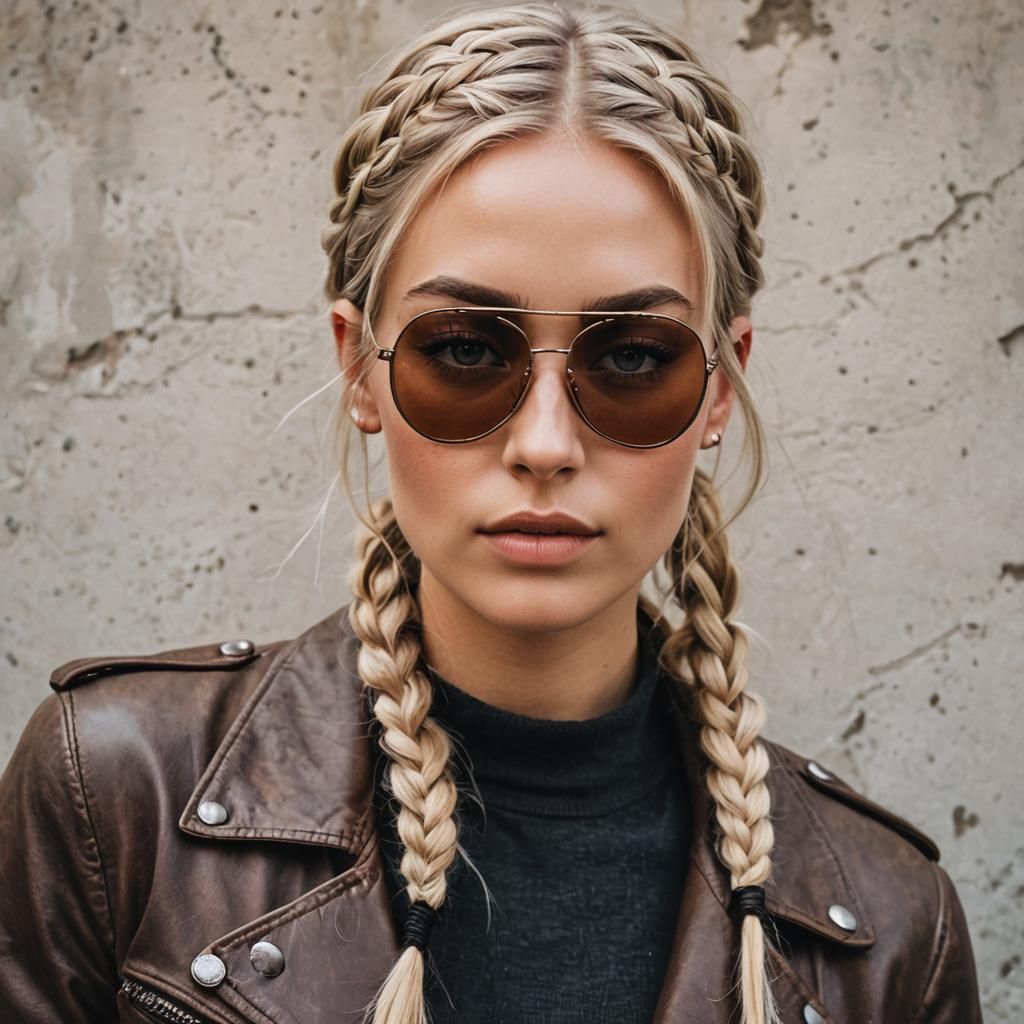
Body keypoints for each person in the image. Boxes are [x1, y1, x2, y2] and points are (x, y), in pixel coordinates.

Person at [0, 3, 982, 1023]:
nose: (546, 444)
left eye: (633, 357)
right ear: (358, 366)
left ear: (721, 386)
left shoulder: (890, 928)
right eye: (466, 350)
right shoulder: (118, 797)